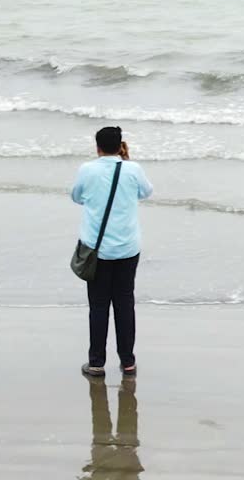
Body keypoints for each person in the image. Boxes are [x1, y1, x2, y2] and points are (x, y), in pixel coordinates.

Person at [72, 126, 153, 378]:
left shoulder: (87, 169)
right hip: (128, 248)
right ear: (121, 146)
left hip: (97, 250)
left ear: (97, 147)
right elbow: (147, 192)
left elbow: (76, 197)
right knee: (125, 304)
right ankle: (128, 362)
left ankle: (96, 363)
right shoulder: (133, 169)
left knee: (98, 306)